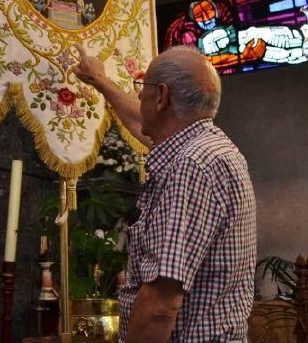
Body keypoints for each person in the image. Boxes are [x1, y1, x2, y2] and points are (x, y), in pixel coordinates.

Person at [73, 44, 256, 342]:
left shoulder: (190, 166)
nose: (137, 97)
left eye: (141, 89)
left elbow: (160, 304)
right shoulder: (208, 147)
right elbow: (142, 124)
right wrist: (102, 83)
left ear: (161, 96)